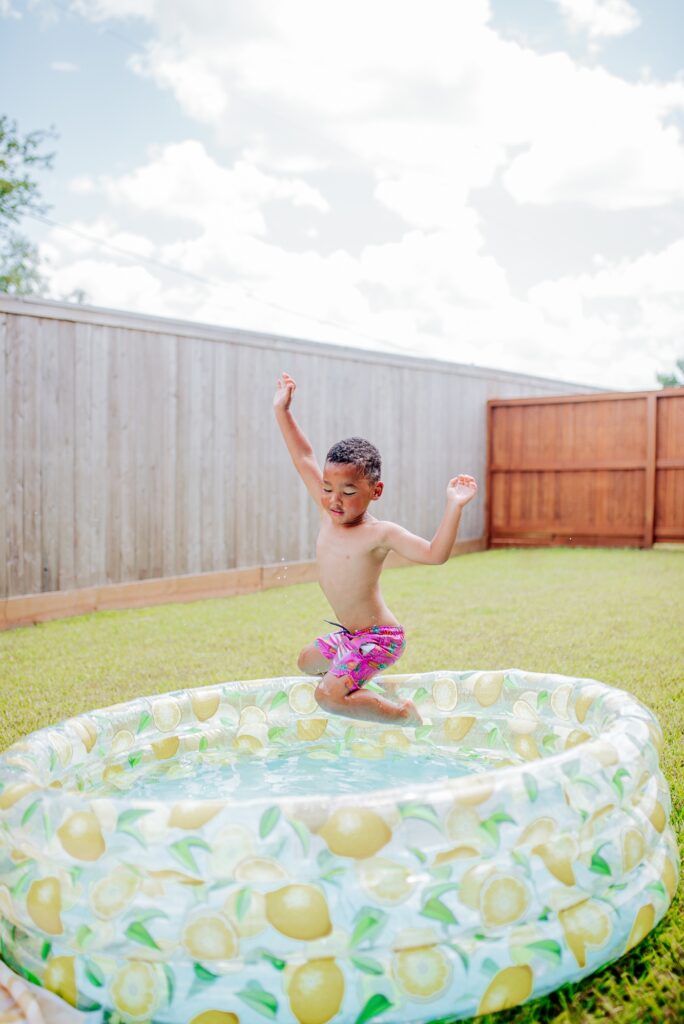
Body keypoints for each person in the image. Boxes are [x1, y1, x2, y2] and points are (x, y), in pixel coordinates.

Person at [273, 371, 477, 726]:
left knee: (327, 696)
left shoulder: (379, 534)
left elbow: (434, 553)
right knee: (306, 662)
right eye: (327, 488)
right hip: (351, 635)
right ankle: (354, 689)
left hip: (380, 637)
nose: (335, 501)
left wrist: (454, 505)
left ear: (375, 492)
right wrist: (282, 411)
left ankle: (402, 715)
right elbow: (303, 456)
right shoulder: (327, 512)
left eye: (349, 492)